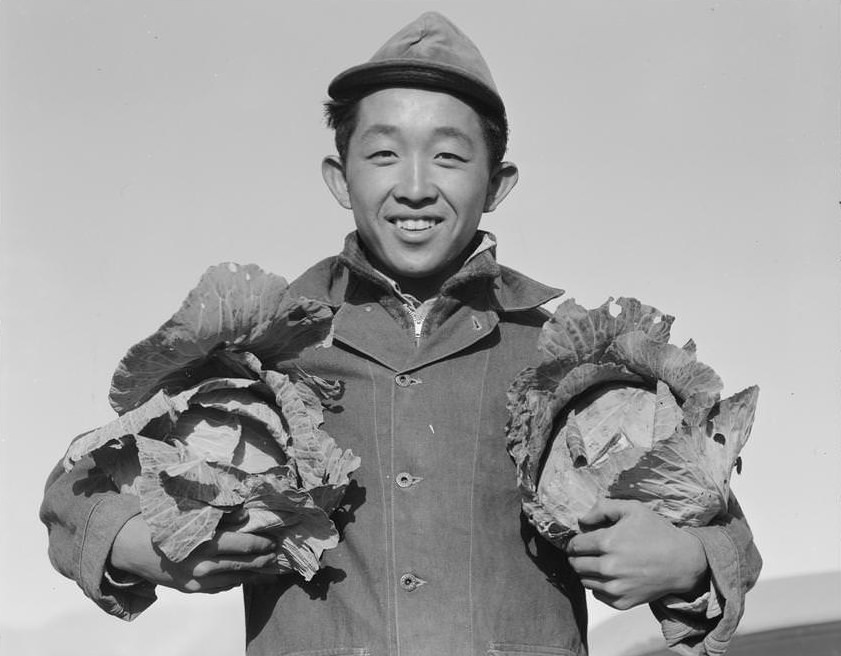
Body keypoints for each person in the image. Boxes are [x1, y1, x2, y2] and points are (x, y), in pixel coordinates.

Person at [40, 12, 761, 656]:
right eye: (383, 154)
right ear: (338, 176)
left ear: (498, 182)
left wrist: (689, 558)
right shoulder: (257, 348)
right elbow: (77, 489)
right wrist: (141, 543)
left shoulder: (567, 364)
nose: (415, 185)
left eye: (449, 156)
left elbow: (723, 529)